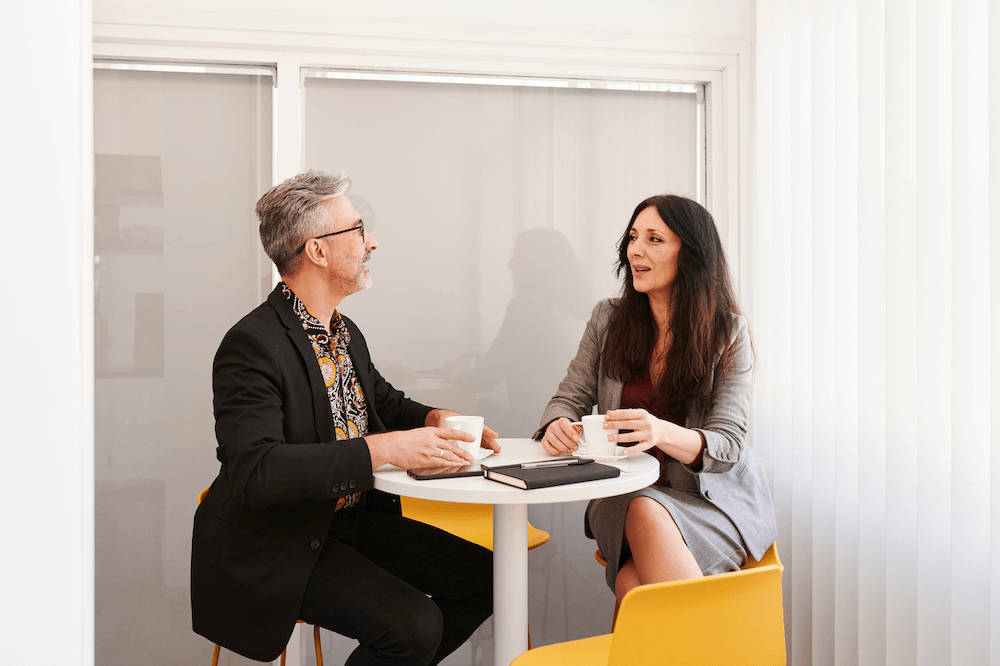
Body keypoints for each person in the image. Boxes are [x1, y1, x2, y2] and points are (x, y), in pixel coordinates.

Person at [191, 169, 498, 666]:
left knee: (488, 579)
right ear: (317, 250)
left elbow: (383, 403)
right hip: (281, 540)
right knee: (415, 626)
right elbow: (257, 471)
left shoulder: (343, 332)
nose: (371, 242)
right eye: (357, 230)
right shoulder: (250, 346)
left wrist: (436, 418)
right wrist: (385, 448)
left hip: (348, 521)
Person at [535, 195, 777, 619]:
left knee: (633, 586)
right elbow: (568, 398)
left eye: (654, 239)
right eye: (632, 238)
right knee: (644, 508)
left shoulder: (728, 333)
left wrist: (660, 431)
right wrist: (557, 423)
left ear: (691, 253)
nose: (636, 251)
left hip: (710, 504)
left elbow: (728, 444)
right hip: (623, 501)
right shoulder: (607, 320)